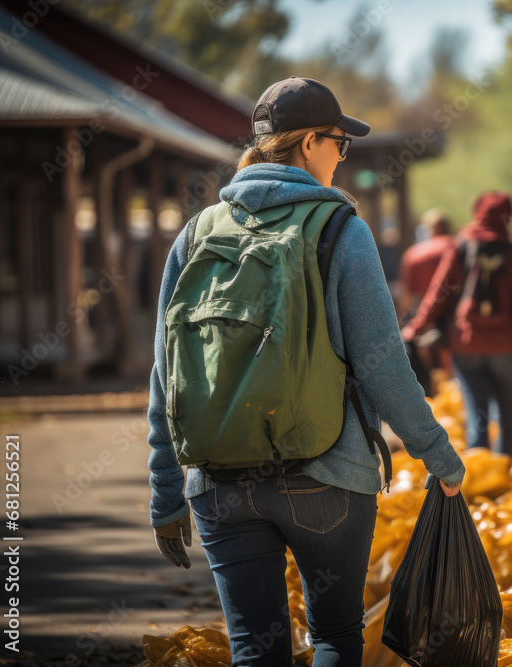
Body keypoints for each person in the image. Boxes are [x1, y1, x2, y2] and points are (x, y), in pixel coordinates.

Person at [146, 77, 465, 666]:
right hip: (326, 477)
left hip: (218, 483)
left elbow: (167, 376)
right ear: (310, 142)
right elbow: (382, 366)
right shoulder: (341, 230)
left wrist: (166, 494)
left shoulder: (196, 234)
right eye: (340, 143)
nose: (343, 158)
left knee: (253, 649)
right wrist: (439, 456)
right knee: (335, 638)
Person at [402, 191, 512, 455]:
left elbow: (438, 295)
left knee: (477, 419)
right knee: (508, 421)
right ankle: (504, 481)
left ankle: (480, 482)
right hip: (508, 350)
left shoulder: (460, 247)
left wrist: (414, 330)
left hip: (467, 347)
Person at [397, 208, 455, 317]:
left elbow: (406, 300)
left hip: (427, 317)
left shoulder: (415, 254)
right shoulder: (462, 248)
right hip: (458, 318)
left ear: (428, 229)